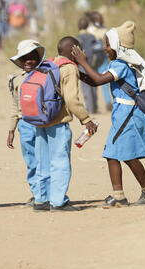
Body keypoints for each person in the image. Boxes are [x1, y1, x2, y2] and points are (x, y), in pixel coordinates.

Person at [72, 21, 145, 208]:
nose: (105, 49)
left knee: (118, 153)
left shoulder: (121, 65)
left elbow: (97, 80)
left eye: (107, 44)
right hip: (123, 113)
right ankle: (122, 195)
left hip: (129, 113)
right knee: (117, 154)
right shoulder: (117, 64)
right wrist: (78, 71)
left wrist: (83, 62)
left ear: (116, 46)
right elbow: (94, 81)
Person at [32, 37, 97, 212]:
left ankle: (41, 200)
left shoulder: (48, 63)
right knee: (60, 162)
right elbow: (71, 100)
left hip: (40, 120)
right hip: (58, 122)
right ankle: (58, 201)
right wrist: (86, 119)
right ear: (75, 50)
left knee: (42, 161)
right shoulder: (69, 68)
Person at [6, 40, 45, 206]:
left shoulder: (45, 77)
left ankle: (45, 193)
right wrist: (11, 129)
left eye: (32, 57)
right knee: (31, 160)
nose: (29, 61)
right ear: (20, 61)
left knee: (44, 158)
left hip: (43, 123)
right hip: (25, 124)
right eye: (25, 58)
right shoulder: (16, 80)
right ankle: (37, 193)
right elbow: (15, 105)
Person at [86, 11, 112, 111]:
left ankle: (95, 104)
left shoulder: (89, 30)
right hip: (101, 56)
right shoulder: (105, 30)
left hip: (95, 58)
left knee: (95, 79)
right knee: (103, 79)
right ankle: (106, 102)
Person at [76, 15, 99, 114]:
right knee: (94, 84)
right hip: (92, 63)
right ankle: (95, 106)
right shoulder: (92, 36)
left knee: (85, 85)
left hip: (82, 64)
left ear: (78, 26)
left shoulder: (77, 38)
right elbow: (98, 49)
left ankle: (90, 108)